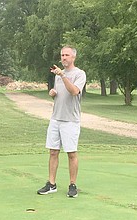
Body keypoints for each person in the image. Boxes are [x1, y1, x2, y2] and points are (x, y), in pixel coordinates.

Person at [37, 45, 86, 198]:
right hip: (56, 118)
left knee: (71, 153)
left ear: (73, 57)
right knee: (53, 151)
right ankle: (51, 184)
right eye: (62, 55)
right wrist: (53, 93)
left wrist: (63, 76)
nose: (64, 57)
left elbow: (74, 92)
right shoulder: (58, 75)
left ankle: (72, 185)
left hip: (70, 120)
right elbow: (60, 93)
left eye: (67, 55)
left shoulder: (79, 74)